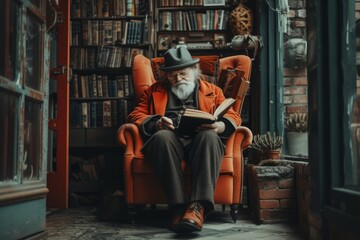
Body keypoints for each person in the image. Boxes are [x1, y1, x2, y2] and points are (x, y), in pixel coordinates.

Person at [127, 47, 241, 233]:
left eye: (182, 73)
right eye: (172, 75)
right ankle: (177, 208)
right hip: (170, 141)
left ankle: (197, 208)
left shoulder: (213, 90)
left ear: (195, 70)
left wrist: (219, 126)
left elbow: (233, 116)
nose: (178, 79)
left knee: (210, 136)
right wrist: (156, 123)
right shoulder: (154, 91)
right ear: (166, 76)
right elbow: (135, 115)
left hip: (201, 140)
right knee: (161, 137)